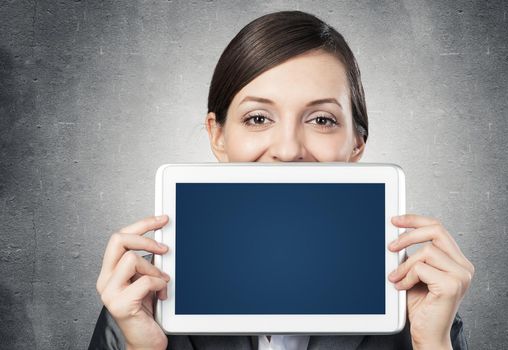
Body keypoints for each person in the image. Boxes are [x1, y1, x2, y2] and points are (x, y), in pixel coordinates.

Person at [89, 10, 474, 350]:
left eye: (321, 120)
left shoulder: (416, 298)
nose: (288, 151)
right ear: (217, 135)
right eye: (258, 118)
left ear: (356, 144)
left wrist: (432, 343)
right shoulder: (142, 296)